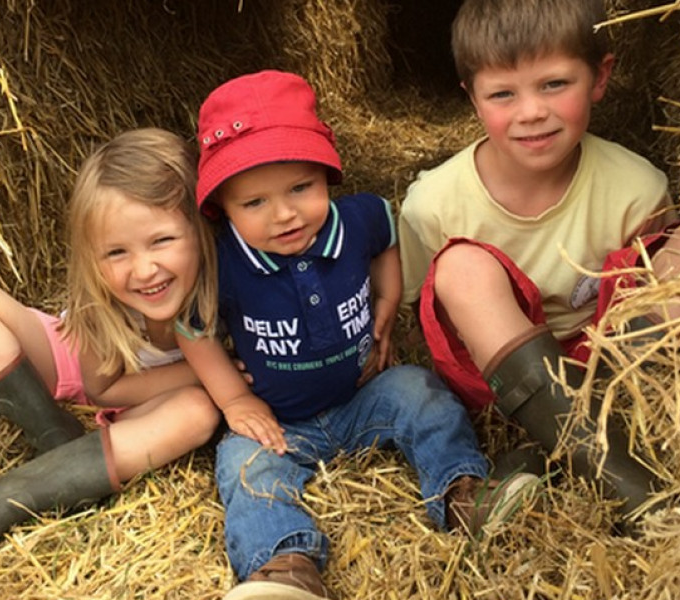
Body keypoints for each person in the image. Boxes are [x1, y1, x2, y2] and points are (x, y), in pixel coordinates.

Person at [175, 70, 540, 600]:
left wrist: (387, 300)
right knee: (241, 464)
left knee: (421, 391)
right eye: (253, 203)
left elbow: (386, 231)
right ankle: (285, 566)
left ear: (326, 175)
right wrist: (234, 399)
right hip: (282, 424)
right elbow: (191, 325)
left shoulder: (355, 219)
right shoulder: (223, 261)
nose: (284, 214)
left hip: (364, 398)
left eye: (302, 187)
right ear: (223, 210)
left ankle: (464, 496)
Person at [398, 0, 680, 525]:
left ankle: (552, 456)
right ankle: (634, 492)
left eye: (554, 84)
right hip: (495, 383)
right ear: (472, 98)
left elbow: (650, 296)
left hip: (614, 371)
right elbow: (425, 322)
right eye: (503, 94)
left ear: (600, 77)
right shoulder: (433, 203)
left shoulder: (637, 188)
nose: (531, 111)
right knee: (461, 267)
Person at [0, 128, 222, 575]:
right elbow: (101, 388)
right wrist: (200, 372)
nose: (144, 270)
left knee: (198, 414)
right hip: (81, 370)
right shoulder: (100, 298)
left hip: (144, 410)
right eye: (116, 252)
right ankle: (55, 444)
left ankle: (6, 498)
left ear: (201, 229)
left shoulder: (230, 291)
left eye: (162, 240)